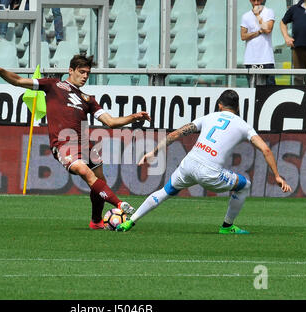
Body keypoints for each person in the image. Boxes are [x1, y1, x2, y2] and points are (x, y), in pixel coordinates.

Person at [0, 54, 151, 229]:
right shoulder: (53, 85)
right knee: (83, 170)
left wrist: (134, 117)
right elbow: (18, 81)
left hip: (84, 144)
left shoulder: (88, 99)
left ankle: (96, 221)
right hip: (63, 143)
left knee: (99, 180)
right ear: (71, 71)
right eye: (82, 72)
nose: (85, 76)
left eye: (88, 73)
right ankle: (119, 204)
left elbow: (111, 122)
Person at [116, 90, 292, 233]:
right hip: (210, 172)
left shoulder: (209, 117)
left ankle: (130, 222)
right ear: (237, 107)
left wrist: (152, 152)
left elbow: (176, 134)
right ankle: (227, 226)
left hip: (189, 163)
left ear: (219, 105)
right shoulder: (243, 125)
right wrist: (277, 176)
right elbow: (266, 149)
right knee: (245, 184)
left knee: (165, 191)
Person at [240, 0, 276, 86]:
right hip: (251, 59)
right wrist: (259, 32)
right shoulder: (246, 16)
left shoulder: (269, 12)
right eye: (253, 0)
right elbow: (243, 36)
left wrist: (257, 15)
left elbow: (267, 30)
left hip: (266, 59)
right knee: (252, 89)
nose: (256, 3)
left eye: (258, 0)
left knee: (270, 89)